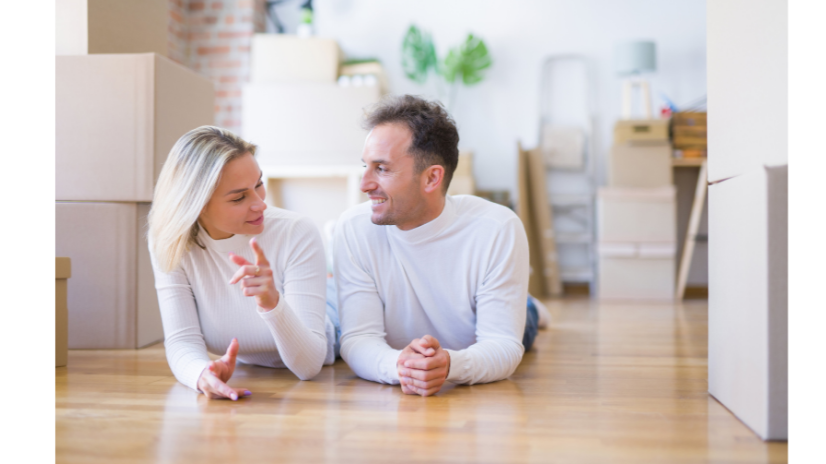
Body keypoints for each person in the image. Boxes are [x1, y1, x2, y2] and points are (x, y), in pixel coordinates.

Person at [332, 95, 541, 397]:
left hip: (473, 337)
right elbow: (358, 339)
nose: (364, 184)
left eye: (382, 169)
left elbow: (503, 344)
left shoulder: (497, 228)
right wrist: (400, 366)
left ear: (432, 178)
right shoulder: (352, 228)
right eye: (366, 166)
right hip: (414, 347)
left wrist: (450, 365)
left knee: (526, 323)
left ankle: (529, 304)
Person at [148, 126, 334, 400]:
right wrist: (201, 375)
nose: (260, 205)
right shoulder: (170, 241)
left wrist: (272, 302)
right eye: (238, 197)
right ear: (197, 204)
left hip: (333, 320)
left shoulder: (296, 231)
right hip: (252, 363)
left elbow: (309, 366)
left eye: (259, 184)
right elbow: (182, 340)